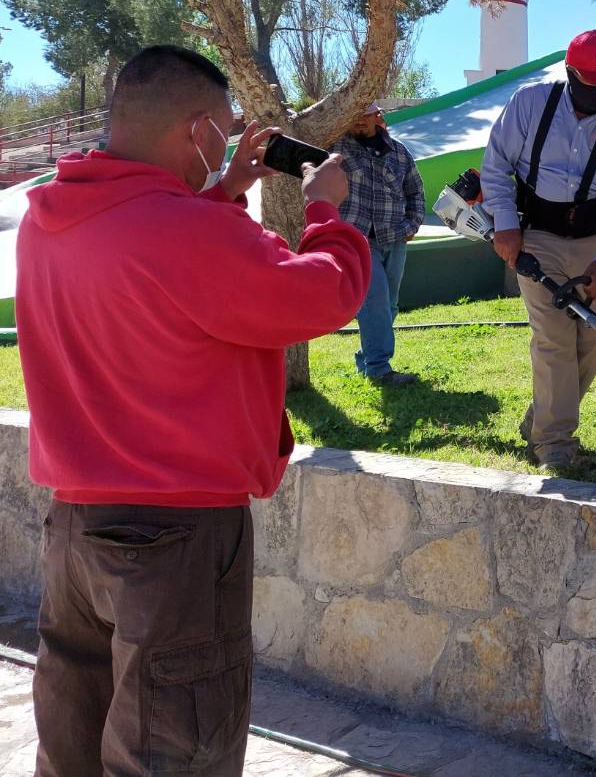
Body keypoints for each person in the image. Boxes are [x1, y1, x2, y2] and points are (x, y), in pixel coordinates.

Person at [16, 45, 370, 776]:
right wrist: (328, 207)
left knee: (72, 745)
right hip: (177, 540)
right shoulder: (191, 234)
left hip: (74, 529)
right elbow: (326, 292)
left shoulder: (46, 219)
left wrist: (224, 189)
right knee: (175, 753)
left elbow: (145, 250)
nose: (228, 141)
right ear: (197, 128)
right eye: (226, 129)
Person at [480, 29, 596, 470]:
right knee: (553, 337)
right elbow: (495, 166)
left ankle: (543, 413)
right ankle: (554, 444)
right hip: (536, 235)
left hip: (595, 240)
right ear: (570, 73)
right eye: (592, 81)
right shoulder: (529, 105)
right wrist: (507, 225)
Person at [330, 102, 427, 385]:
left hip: (394, 235)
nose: (360, 120)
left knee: (389, 304)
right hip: (356, 238)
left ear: (377, 116)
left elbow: (415, 190)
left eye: (366, 114)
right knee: (375, 301)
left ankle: (366, 355)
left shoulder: (398, 151)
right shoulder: (336, 148)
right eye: (354, 114)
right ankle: (379, 368)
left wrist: (412, 225)